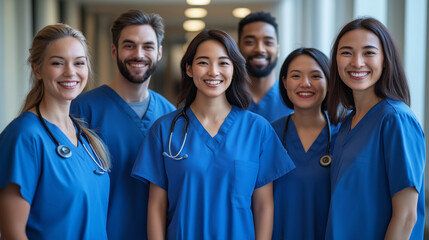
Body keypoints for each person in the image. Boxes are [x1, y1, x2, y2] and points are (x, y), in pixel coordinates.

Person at [131, 29, 295, 239]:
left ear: (234, 69)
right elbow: (156, 207)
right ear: (189, 69)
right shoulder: (164, 130)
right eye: (203, 62)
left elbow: (264, 207)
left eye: (223, 63)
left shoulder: (257, 129)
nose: (213, 71)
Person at [70, 10, 175, 240]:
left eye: (148, 46)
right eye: (129, 45)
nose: (138, 54)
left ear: (159, 53)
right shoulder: (81, 111)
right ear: (114, 50)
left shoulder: (171, 115)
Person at [0, 23, 110, 239]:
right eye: (58, 63)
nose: (70, 72)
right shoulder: (24, 137)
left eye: (79, 63)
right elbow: (13, 234)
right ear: (37, 69)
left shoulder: (85, 137)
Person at [325, 17, 425, 239]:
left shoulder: (396, 119)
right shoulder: (344, 126)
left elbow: (407, 216)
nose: (357, 62)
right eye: (346, 52)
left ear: (385, 60)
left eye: (369, 53)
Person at [271, 47, 340, 239]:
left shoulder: (344, 135)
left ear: (329, 82)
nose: (305, 84)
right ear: (284, 82)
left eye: (316, 76)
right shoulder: (269, 135)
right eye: (296, 76)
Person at [237, 11, 293, 122]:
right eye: (250, 42)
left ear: (278, 50)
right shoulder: (227, 99)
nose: (260, 49)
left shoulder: (292, 99)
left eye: (268, 42)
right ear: (237, 49)